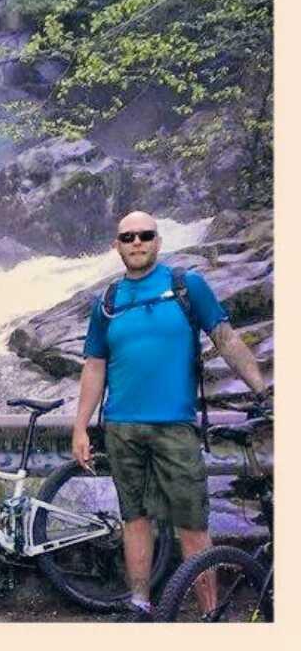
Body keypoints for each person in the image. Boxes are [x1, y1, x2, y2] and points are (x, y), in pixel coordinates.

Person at [71, 210, 269, 621]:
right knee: (134, 519)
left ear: (158, 242)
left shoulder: (186, 285)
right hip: (121, 427)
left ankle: (210, 615)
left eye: (145, 235)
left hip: (175, 427)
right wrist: (80, 427)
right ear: (117, 246)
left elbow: (226, 339)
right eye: (128, 237)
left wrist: (263, 391)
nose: (137, 242)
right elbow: (94, 366)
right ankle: (140, 604)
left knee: (192, 524)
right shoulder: (107, 301)